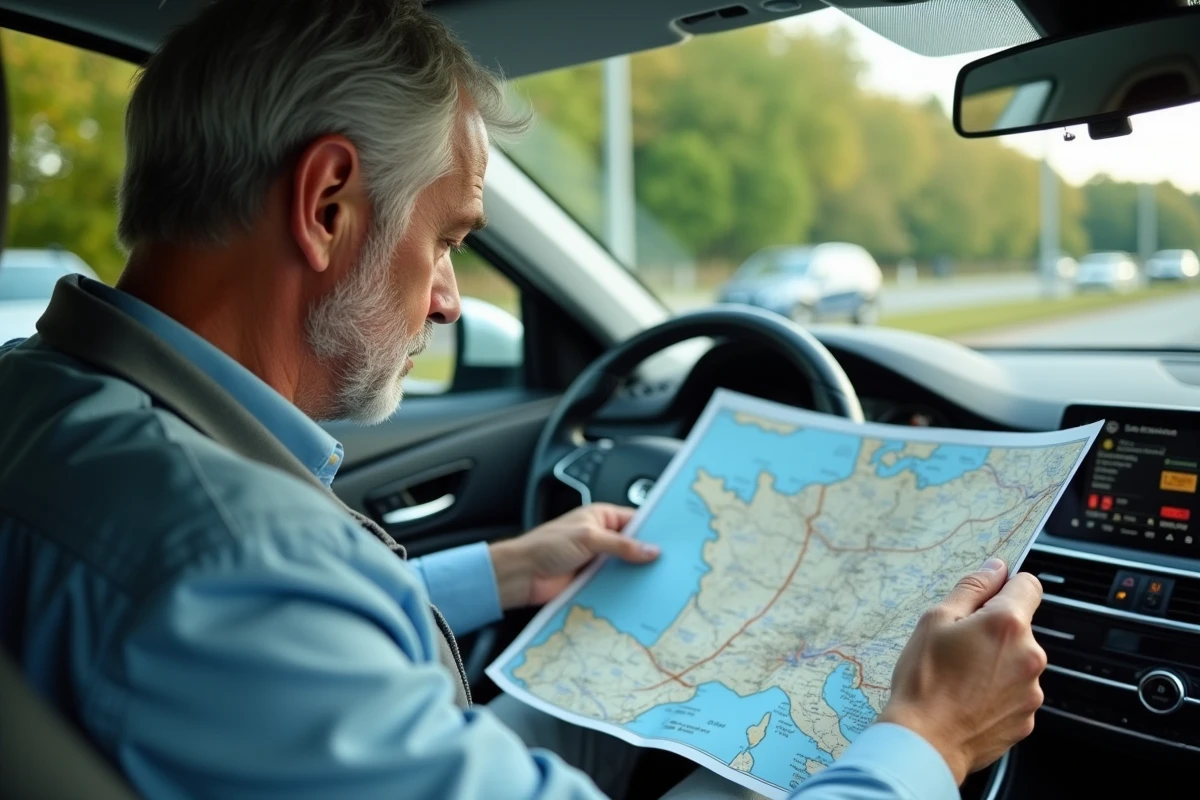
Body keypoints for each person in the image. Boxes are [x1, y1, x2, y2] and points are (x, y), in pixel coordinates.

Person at [0, 1, 1047, 798]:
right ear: (326, 205)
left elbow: (285, 648)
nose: (452, 297)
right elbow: (260, 606)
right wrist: (927, 737)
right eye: (449, 237)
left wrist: (497, 572)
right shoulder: (233, 563)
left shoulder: (35, 402)